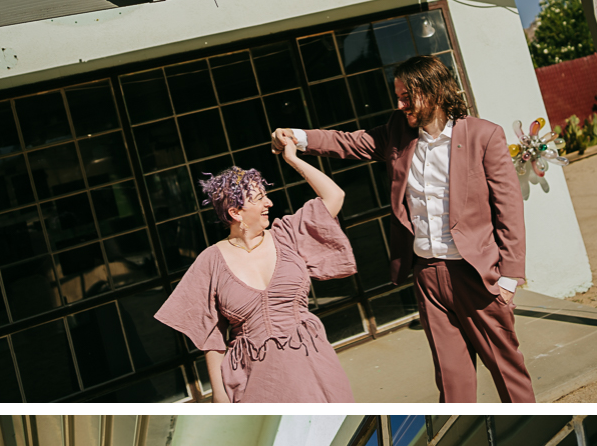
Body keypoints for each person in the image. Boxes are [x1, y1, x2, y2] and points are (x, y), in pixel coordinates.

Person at [271, 54, 536, 404]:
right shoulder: (397, 132)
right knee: (452, 383)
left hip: (476, 275)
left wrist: (509, 278)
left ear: (435, 92)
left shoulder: (484, 135)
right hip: (427, 274)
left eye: (408, 97)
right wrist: (299, 137)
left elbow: (509, 208)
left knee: (507, 373)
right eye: (398, 96)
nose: (400, 104)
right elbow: (350, 142)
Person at [154, 137, 355, 403]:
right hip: (255, 381)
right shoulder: (210, 262)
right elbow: (211, 338)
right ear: (237, 213)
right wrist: (220, 396)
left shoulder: (286, 234)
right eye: (260, 198)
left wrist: (293, 159)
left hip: (313, 366)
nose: (269, 203)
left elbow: (334, 196)